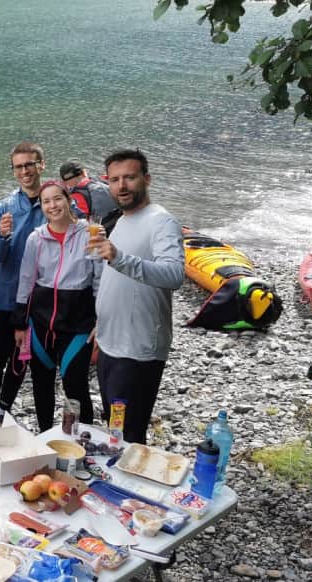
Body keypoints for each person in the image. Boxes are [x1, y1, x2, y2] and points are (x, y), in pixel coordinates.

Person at [88, 150, 184, 444]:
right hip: (110, 342)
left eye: (129, 177)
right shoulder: (123, 220)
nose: (122, 186)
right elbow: (114, 278)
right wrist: (101, 321)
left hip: (138, 351)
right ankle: (118, 482)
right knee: (114, 427)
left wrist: (119, 257)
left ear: (147, 179)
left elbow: (174, 275)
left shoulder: (161, 221)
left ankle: (130, 488)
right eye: (115, 180)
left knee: (129, 434)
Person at [12, 181, 101, 433]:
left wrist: (102, 320)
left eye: (57, 199)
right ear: (42, 207)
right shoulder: (36, 238)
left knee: (75, 385)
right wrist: (20, 323)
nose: (52, 205)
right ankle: (45, 436)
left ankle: (85, 439)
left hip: (78, 325)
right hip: (40, 324)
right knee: (41, 383)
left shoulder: (90, 233)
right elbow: (26, 281)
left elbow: (100, 281)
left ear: (68, 199)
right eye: (46, 201)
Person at [0, 142, 49, 428]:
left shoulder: (55, 202)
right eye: (19, 167)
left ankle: (4, 407)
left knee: (27, 358)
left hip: (44, 299)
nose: (25, 171)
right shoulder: (4, 207)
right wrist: (1, 235)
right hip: (8, 296)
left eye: (29, 164)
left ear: (41, 165)